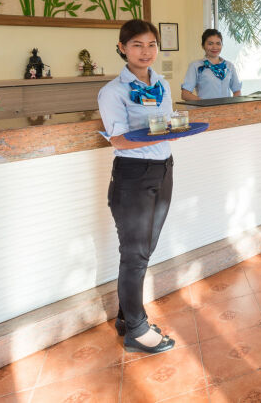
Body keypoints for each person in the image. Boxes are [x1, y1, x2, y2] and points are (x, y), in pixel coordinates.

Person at [96, 19, 176, 354]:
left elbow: (167, 125)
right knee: (135, 254)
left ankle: (126, 319)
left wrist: (172, 131)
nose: (146, 52)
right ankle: (137, 331)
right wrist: (162, 134)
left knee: (145, 249)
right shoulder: (112, 92)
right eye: (137, 45)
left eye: (151, 44)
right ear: (122, 48)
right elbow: (118, 139)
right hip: (132, 175)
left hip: (164, 169)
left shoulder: (162, 84)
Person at [181, 28, 243, 100]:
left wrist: (233, 105)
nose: (214, 47)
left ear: (222, 45)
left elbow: (237, 91)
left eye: (218, 43)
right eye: (210, 44)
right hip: (206, 107)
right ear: (203, 46)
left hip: (227, 107)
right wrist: (204, 104)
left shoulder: (229, 66)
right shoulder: (196, 66)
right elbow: (185, 94)